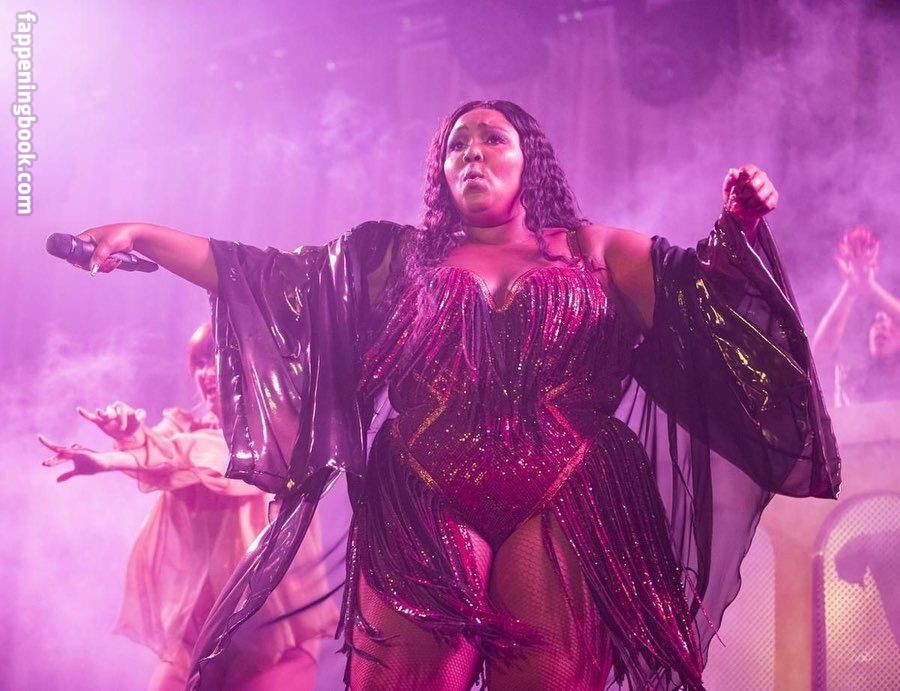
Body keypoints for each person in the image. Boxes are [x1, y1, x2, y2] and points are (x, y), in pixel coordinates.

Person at [66, 100, 840, 690]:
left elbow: (704, 306)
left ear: (529, 160)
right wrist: (142, 234)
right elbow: (265, 276)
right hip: (423, 491)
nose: (472, 151)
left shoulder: (596, 250)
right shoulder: (390, 257)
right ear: (440, 171)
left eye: (492, 138)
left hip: (567, 490)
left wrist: (739, 228)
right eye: (456, 145)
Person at [37, 322, 338, 691]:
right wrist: (125, 438)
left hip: (274, 638)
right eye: (198, 363)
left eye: (216, 358)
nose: (206, 374)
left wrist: (115, 459)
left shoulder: (278, 439)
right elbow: (159, 451)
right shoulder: (184, 429)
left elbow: (197, 457)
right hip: (196, 641)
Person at [812, 225, 900, 406]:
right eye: (877, 321)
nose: (883, 326)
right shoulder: (852, 371)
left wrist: (870, 287)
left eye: (892, 321)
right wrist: (850, 289)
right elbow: (820, 354)